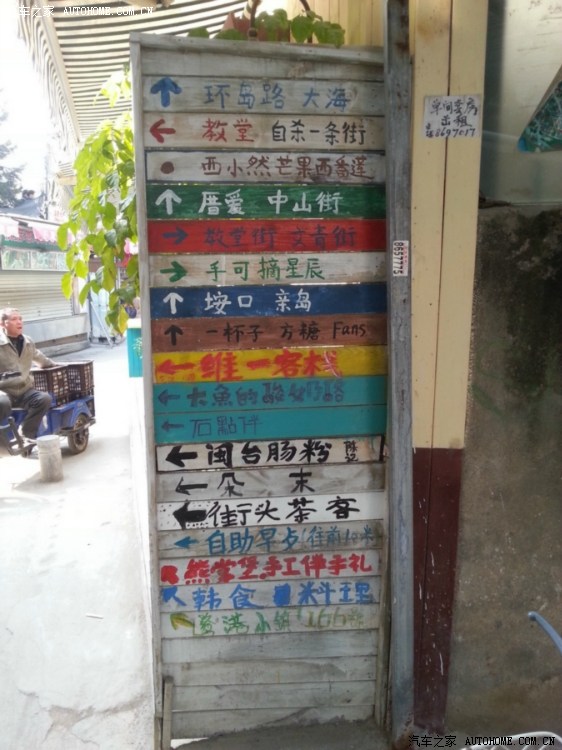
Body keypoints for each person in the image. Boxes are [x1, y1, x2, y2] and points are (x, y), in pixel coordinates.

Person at [0, 307, 57, 440]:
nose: (19, 322)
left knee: (44, 399)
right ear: (2, 324)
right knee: (2, 402)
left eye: (20, 319)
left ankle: (26, 436)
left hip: (24, 390)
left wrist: (53, 364)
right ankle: (3, 438)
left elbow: (40, 358)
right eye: (14, 319)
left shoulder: (28, 342)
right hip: (3, 389)